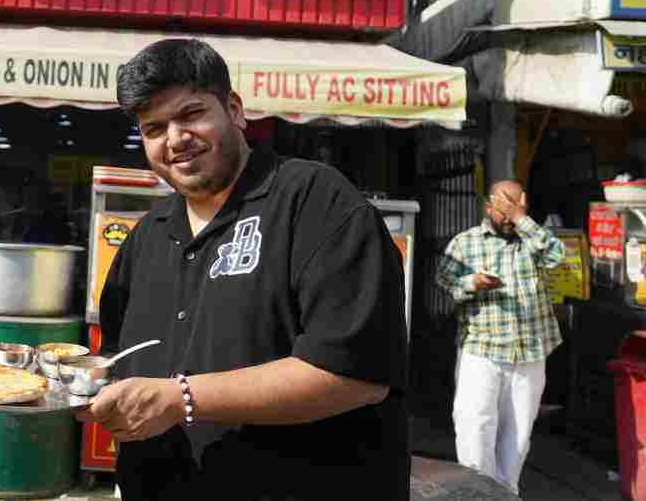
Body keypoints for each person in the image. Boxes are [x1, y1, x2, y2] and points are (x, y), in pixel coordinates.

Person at [78, 39, 409, 500]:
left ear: (234, 110)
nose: (175, 139)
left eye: (191, 114)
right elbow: (119, 363)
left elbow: (355, 375)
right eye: (154, 128)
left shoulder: (317, 202)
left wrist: (182, 399)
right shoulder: (145, 238)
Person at [435, 180, 562, 494]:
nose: (508, 218)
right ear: (488, 207)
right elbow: (443, 279)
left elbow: (555, 256)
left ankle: (506, 493)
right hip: (481, 349)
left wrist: (521, 220)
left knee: (518, 438)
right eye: (503, 210)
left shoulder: (531, 239)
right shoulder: (466, 242)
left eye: (516, 210)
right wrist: (472, 283)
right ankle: (479, 493)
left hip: (530, 351)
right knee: (475, 428)